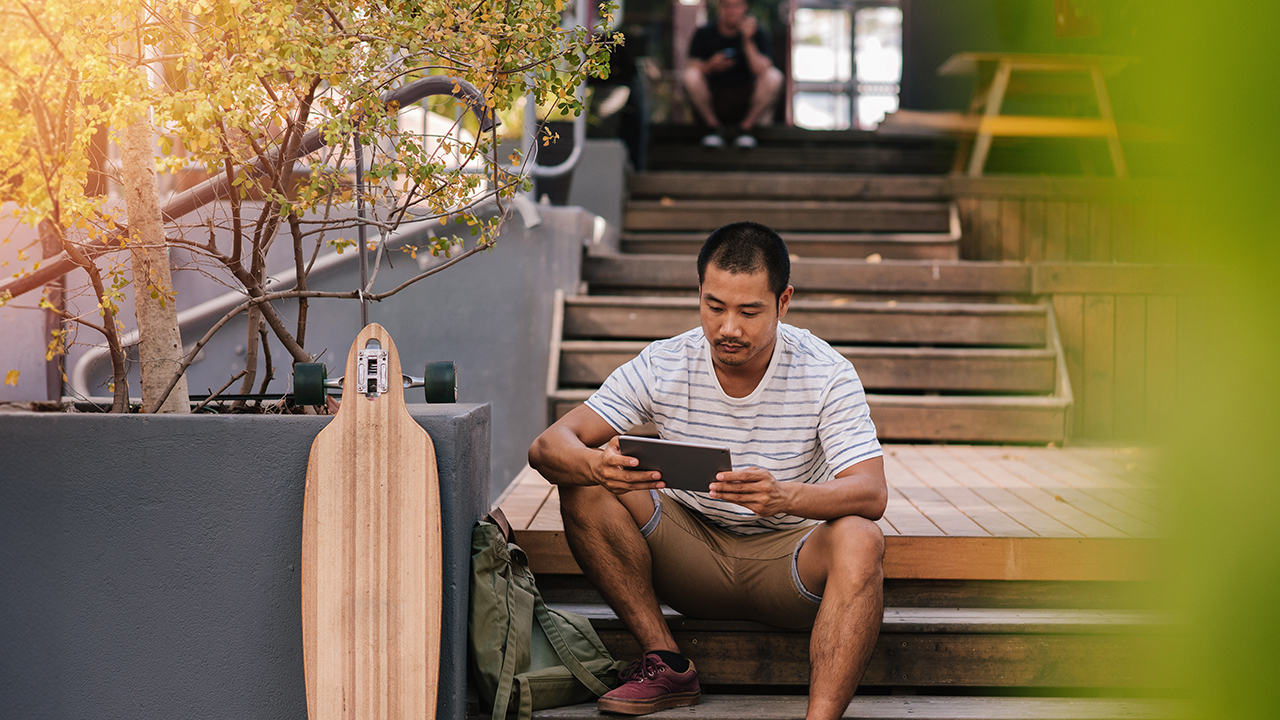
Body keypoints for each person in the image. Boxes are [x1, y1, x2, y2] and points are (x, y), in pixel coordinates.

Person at [528, 222, 888, 719]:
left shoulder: (825, 371)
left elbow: (871, 492)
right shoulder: (665, 362)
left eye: (749, 311)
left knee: (861, 538)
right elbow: (548, 446)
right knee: (585, 485)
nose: (728, 328)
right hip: (689, 556)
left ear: (784, 303)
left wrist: (786, 497)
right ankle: (667, 663)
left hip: (790, 565)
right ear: (698, 292)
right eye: (714, 307)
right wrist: (597, 464)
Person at [683, 0, 785, 148]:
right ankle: (713, 127)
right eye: (727, 6)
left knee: (774, 76)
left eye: (737, 6)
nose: (732, 11)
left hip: (747, 98)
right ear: (720, 8)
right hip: (715, 97)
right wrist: (710, 65)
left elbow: (762, 68)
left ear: (745, 8)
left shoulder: (758, 32)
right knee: (690, 75)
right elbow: (690, 65)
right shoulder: (705, 32)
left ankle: (745, 129)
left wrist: (747, 41)